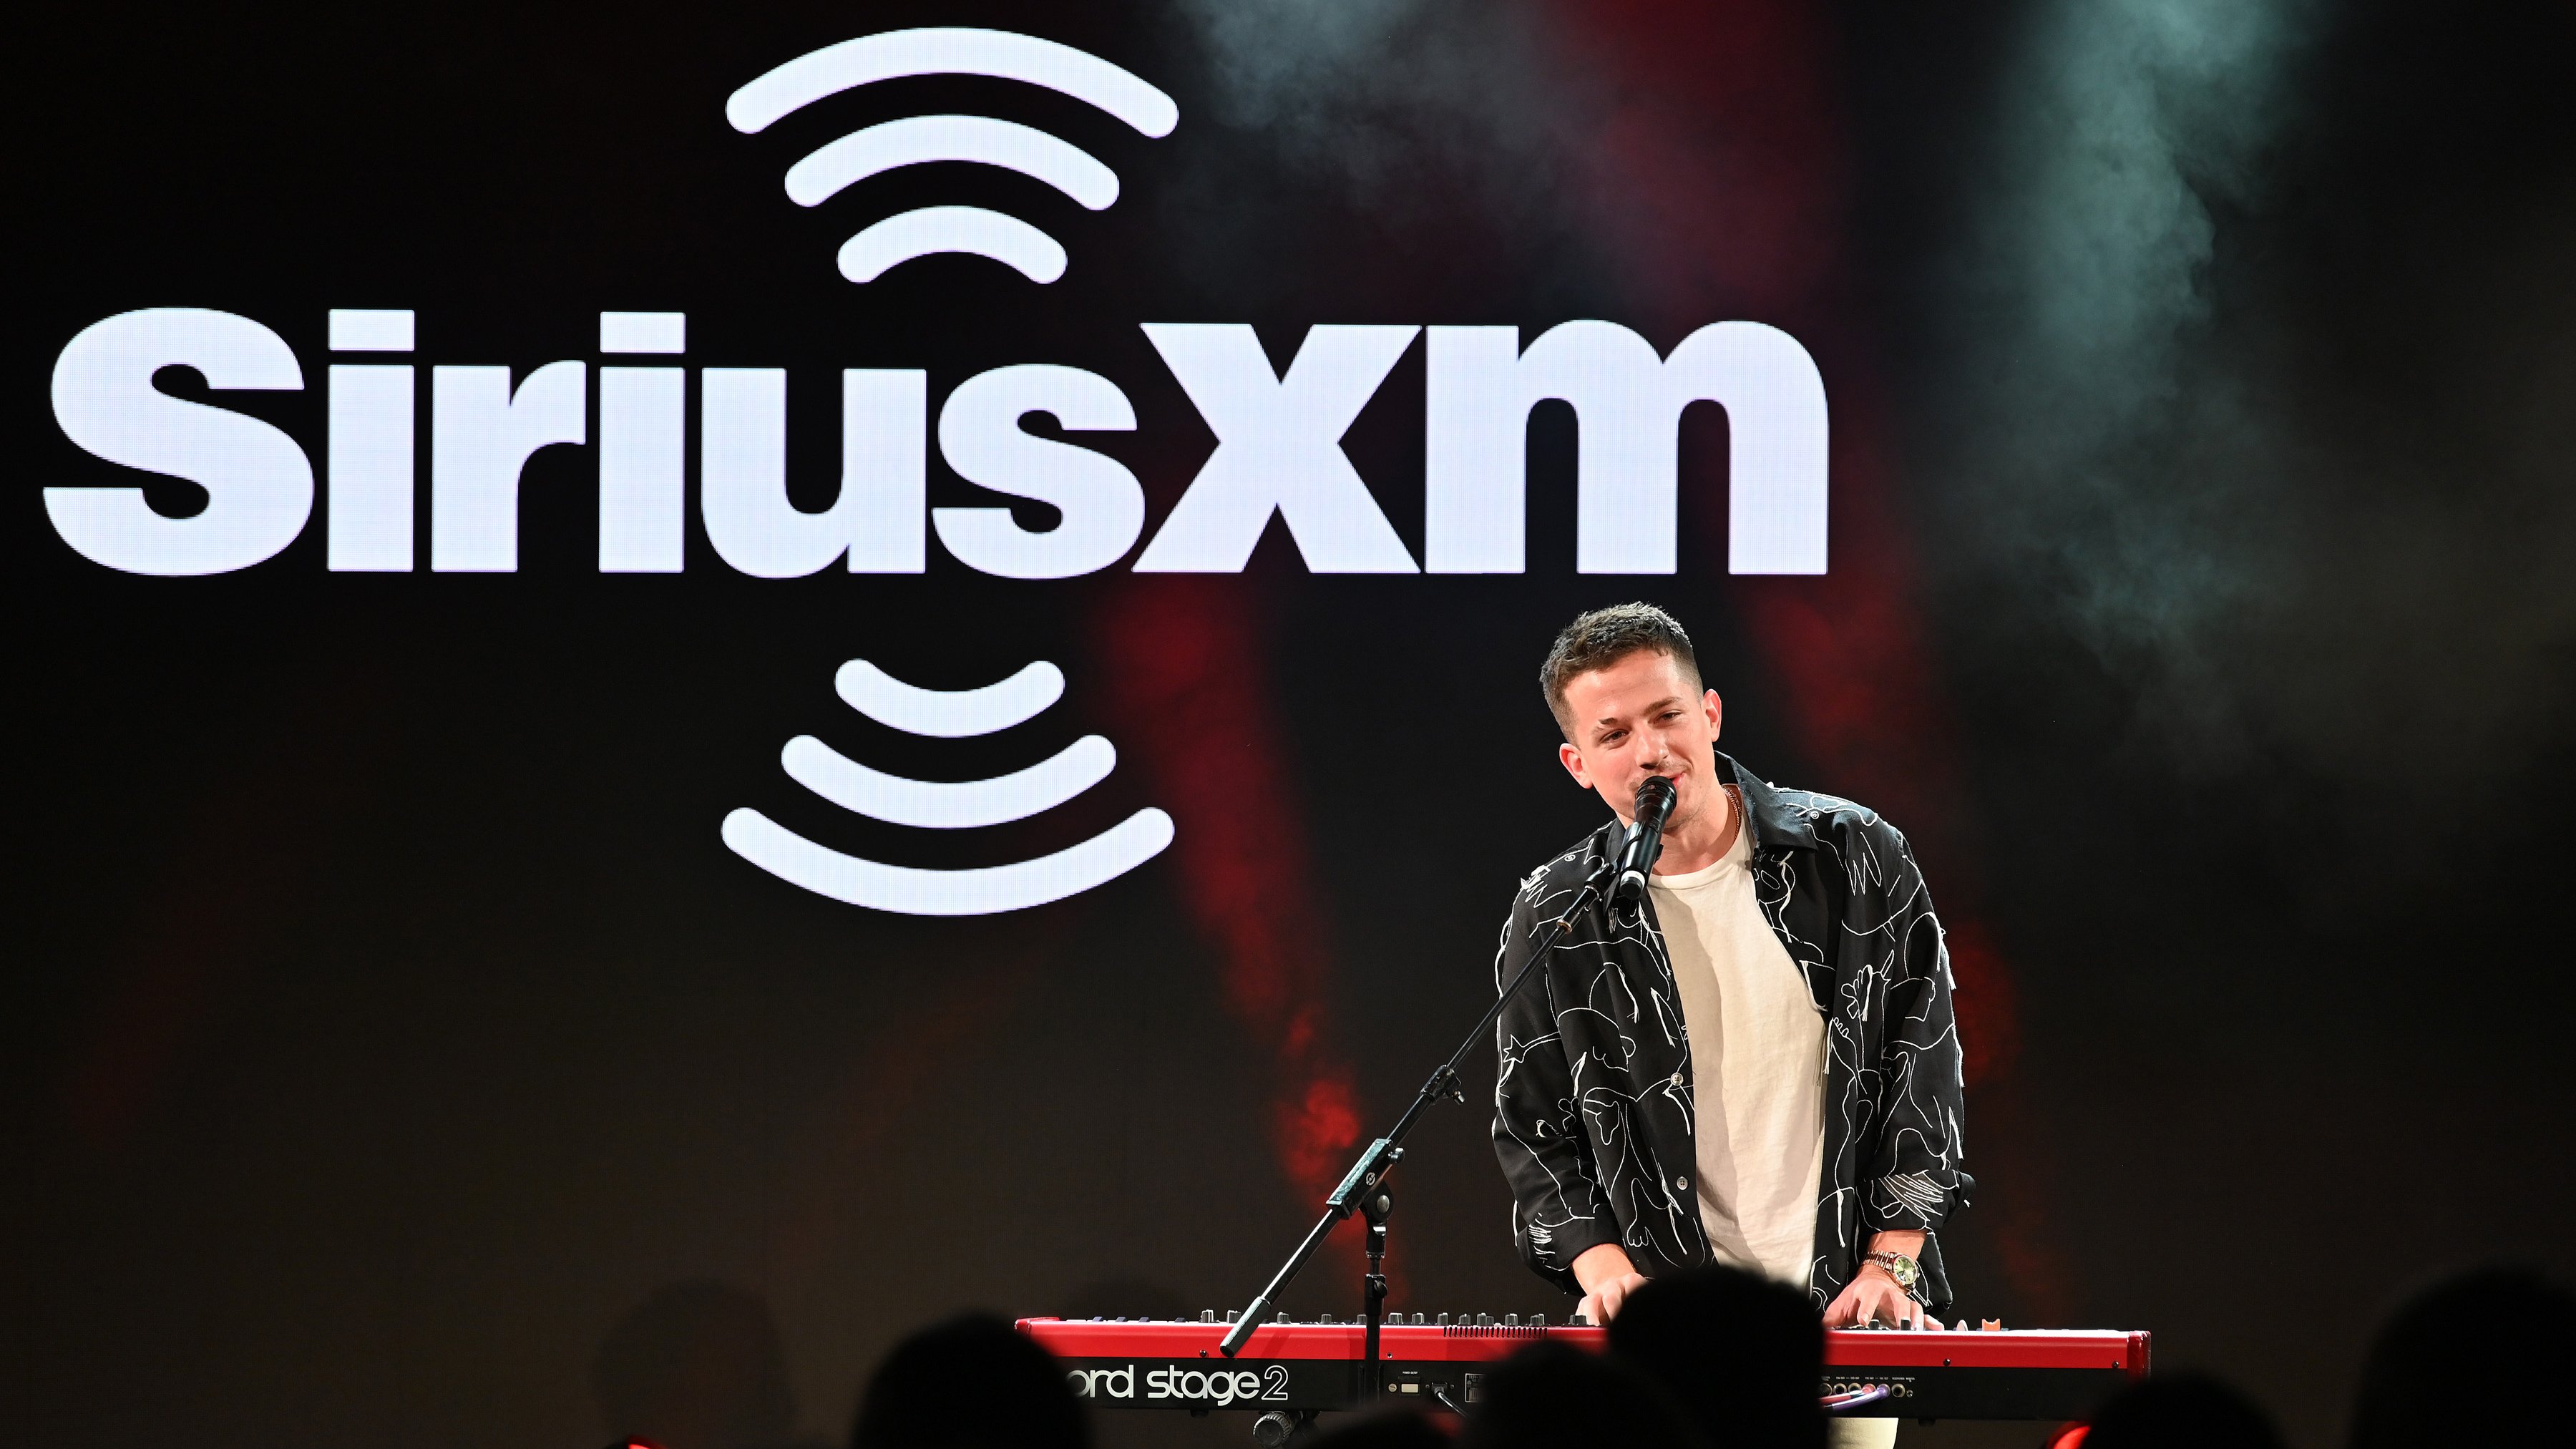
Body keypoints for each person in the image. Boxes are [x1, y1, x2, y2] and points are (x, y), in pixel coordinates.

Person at [1490, 604, 1972, 1446]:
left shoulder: (1852, 854)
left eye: (1667, 716)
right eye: (1614, 735)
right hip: (1667, 1342)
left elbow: (1922, 1067)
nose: (1650, 751)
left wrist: (1892, 1261)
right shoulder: (1560, 911)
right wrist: (1604, 1270)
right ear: (1577, 763)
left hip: (1845, 1315)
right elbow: (1533, 1130)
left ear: (1709, 714)